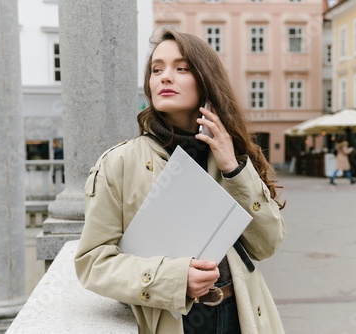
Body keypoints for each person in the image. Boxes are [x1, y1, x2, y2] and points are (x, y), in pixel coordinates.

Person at [74, 29, 286, 334]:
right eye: (156, 70)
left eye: (181, 68)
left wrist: (233, 169)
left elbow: (267, 244)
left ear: (205, 80)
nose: (165, 77)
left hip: (240, 313)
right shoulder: (119, 163)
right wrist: (174, 278)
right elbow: (93, 263)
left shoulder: (229, 154)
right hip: (175, 320)